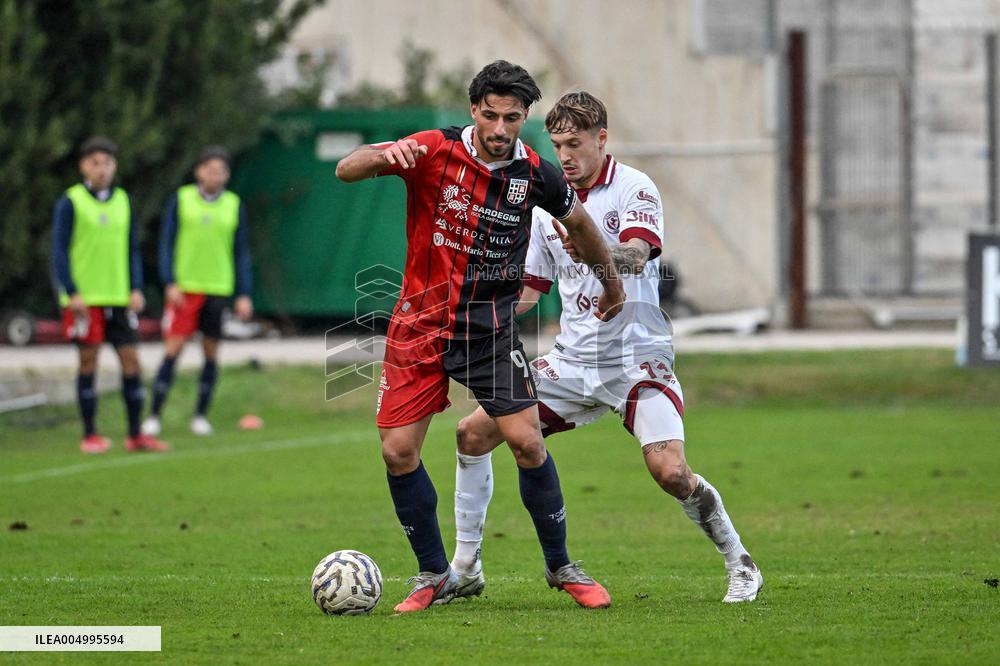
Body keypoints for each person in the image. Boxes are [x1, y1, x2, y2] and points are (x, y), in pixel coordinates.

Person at [448, 91, 764, 604]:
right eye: (556, 146)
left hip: (638, 359)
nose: (565, 156)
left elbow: (639, 254)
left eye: (575, 144)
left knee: (671, 472)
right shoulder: (543, 201)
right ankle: (466, 566)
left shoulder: (635, 187)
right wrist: (470, 316)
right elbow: (530, 290)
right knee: (473, 434)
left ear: (602, 138)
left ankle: (740, 562)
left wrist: (599, 249)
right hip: (571, 363)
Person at [335, 61, 625, 612]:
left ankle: (562, 567)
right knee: (398, 452)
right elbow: (347, 169)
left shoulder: (538, 174)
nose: (499, 128)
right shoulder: (432, 149)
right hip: (417, 328)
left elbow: (582, 226)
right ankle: (434, 575)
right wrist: (383, 154)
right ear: (474, 110)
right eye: (489, 115)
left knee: (527, 441)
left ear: (524, 118)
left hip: (488, 332)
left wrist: (613, 286)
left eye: (511, 118)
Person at [51, 136, 170, 454]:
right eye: (94, 163)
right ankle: (90, 434)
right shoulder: (71, 201)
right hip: (85, 300)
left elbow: (131, 248)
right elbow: (59, 251)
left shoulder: (123, 201)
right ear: (83, 166)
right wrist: (71, 290)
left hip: (118, 297)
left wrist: (135, 287)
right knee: (88, 361)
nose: (101, 169)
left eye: (107, 163)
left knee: (131, 360)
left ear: (114, 166)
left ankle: (136, 435)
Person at [141, 146, 253, 438]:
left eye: (222, 170)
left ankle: (200, 416)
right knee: (173, 350)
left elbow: (241, 251)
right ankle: (153, 415)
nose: (216, 174)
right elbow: (166, 243)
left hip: (218, 288)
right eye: (210, 168)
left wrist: (243, 292)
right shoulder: (182, 200)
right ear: (198, 171)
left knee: (211, 353)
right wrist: (170, 281)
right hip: (186, 289)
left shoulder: (233, 204)